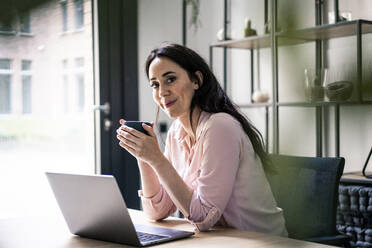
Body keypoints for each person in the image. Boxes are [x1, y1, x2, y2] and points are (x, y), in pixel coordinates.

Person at [116, 43, 287, 236]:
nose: (162, 92)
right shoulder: (176, 132)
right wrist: (144, 156)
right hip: (220, 240)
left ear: (196, 80)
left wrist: (157, 158)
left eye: (170, 79)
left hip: (262, 242)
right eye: (155, 84)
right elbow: (156, 211)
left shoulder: (220, 127)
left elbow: (204, 217)